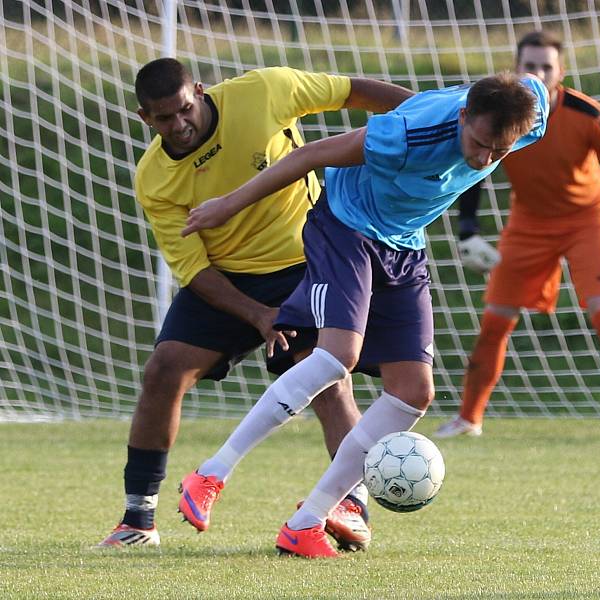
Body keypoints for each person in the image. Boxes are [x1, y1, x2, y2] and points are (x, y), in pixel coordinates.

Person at [177, 71, 549, 557]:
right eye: (478, 143)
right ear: (463, 117)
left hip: (404, 243)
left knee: (414, 391)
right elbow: (308, 155)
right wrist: (227, 204)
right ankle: (211, 472)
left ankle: (306, 522)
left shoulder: (529, 112)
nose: (483, 159)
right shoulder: (405, 136)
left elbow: (540, 85)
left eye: (498, 152)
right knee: (337, 358)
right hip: (346, 226)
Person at [96, 58, 413, 549]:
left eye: (184, 110)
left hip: (307, 262)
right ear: (145, 118)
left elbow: (355, 89)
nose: (178, 125)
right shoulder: (153, 178)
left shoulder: (265, 91)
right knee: (164, 369)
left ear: (199, 92)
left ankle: (351, 509)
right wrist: (259, 316)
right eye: (163, 118)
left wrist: (428, 114)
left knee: (328, 377)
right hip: (227, 282)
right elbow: (194, 268)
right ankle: (138, 520)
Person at [435, 30, 600, 443]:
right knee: (494, 322)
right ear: (516, 67)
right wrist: (468, 229)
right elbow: (477, 167)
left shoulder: (587, 114)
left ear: (561, 71)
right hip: (528, 223)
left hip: (586, 220)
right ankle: (468, 418)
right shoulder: (503, 113)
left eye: (546, 66)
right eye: (530, 65)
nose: (537, 73)